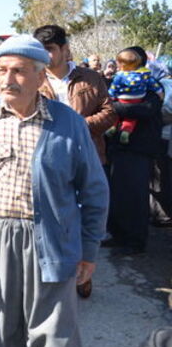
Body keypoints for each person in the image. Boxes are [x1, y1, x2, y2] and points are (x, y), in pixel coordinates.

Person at [0, 35, 109, 347]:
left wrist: (89, 247)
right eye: (1, 70)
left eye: (18, 71)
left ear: (41, 75)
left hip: (53, 240)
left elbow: (94, 191)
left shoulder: (69, 123)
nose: (7, 79)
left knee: (56, 335)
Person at [33, 24, 115, 298]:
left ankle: (83, 272)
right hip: (49, 160)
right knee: (58, 217)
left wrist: (80, 126)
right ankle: (56, 274)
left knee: (87, 217)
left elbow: (109, 111)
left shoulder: (90, 78)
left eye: (50, 49)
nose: (46, 55)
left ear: (65, 49)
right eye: (41, 50)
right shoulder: (35, 78)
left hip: (89, 153)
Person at [105, 46, 164, 255]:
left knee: (136, 197)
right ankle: (119, 236)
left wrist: (115, 108)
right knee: (119, 195)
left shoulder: (151, 85)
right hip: (119, 148)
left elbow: (146, 110)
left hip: (140, 148)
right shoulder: (121, 83)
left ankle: (135, 241)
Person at [106, 48, 163, 144]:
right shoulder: (147, 79)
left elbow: (144, 109)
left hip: (139, 146)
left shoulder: (119, 77)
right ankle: (124, 130)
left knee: (117, 117)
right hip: (128, 146)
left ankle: (113, 126)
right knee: (130, 120)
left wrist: (110, 104)